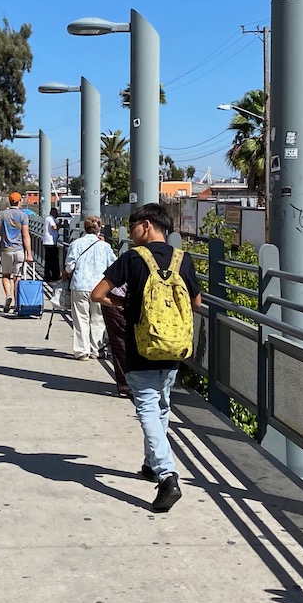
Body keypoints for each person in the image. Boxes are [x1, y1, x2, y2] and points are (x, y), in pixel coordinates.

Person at [90, 203, 200, 512]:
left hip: (141, 346)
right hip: (174, 348)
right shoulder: (184, 259)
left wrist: (125, 303)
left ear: (147, 226)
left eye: (133, 225)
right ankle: (152, 464)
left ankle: (167, 476)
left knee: (148, 408)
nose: (131, 231)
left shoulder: (132, 259)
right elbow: (196, 302)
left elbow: (97, 294)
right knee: (162, 404)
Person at [63, 215, 114, 360]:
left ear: (84, 229)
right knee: (98, 319)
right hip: (99, 287)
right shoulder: (105, 246)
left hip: (80, 285)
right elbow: (112, 266)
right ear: (99, 229)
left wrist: (65, 274)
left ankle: (82, 351)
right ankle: (96, 350)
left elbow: (70, 266)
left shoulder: (76, 244)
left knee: (80, 319)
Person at [0, 191, 33, 313]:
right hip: (20, 250)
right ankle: (17, 305)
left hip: (6, 250)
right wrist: (29, 254)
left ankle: (8, 296)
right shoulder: (23, 216)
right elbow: (26, 235)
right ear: (19, 201)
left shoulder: (1, 215)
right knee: (17, 278)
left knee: (6, 275)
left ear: (9, 201)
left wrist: (5, 232)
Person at [42, 204, 60, 282]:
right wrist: (60, 224)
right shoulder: (50, 219)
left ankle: (48, 275)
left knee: (49, 260)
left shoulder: (48, 218)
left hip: (48, 242)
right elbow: (54, 227)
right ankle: (53, 276)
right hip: (50, 242)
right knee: (53, 260)